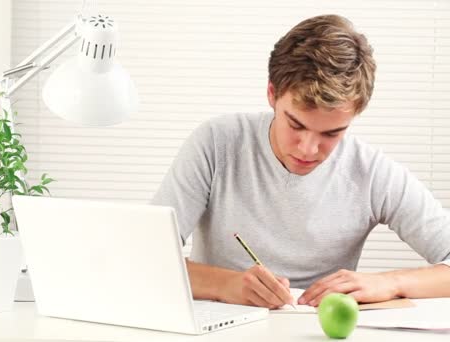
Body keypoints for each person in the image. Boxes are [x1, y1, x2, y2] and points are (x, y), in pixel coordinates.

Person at [151, 14, 450, 309]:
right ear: (272, 93)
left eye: (332, 133)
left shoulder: (371, 172)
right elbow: (141, 256)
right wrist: (225, 285)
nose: (309, 149)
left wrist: (390, 283)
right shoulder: (217, 143)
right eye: (295, 125)